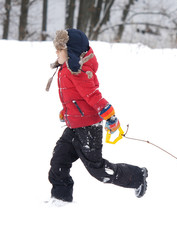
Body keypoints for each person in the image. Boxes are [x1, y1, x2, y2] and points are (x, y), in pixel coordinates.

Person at [47, 29, 147, 204]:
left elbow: (93, 96)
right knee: (58, 161)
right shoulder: (66, 69)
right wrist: (67, 111)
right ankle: (60, 200)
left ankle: (137, 176)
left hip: (88, 128)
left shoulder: (79, 72)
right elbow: (75, 96)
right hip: (74, 126)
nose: (56, 52)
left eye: (59, 49)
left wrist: (110, 116)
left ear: (71, 51)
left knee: (98, 170)